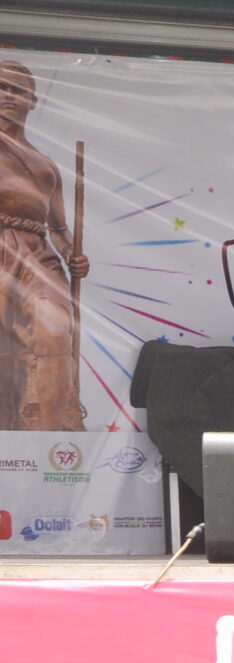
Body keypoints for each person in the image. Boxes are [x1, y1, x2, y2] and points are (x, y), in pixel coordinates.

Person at [0, 58, 87, 431]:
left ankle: (51, 432)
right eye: (1, 87)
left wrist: (72, 255)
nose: (8, 95)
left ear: (33, 101)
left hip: (38, 257)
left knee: (55, 331)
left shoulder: (46, 165)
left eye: (18, 90)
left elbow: (60, 229)